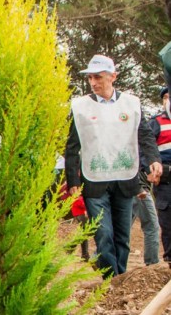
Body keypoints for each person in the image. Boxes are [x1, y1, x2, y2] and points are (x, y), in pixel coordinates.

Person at [65, 54, 161, 279]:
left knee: (122, 237)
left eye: (98, 77)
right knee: (103, 234)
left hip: (125, 179)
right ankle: (111, 280)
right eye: (90, 78)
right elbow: (71, 147)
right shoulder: (80, 107)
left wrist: (153, 158)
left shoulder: (131, 104)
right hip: (94, 181)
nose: (93, 82)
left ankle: (119, 279)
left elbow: (145, 134)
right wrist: (73, 182)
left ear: (113, 77)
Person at [148, 87, 171, 267]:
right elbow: (145, 149)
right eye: (165, 97)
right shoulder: (156, 122)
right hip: (166, 182)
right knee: (168, 223)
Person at [132, 171, 160, 266]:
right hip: (140, 188)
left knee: (122, 227)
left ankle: (99, 258)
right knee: (151, 226)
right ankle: (152, 264)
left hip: (132, 186)